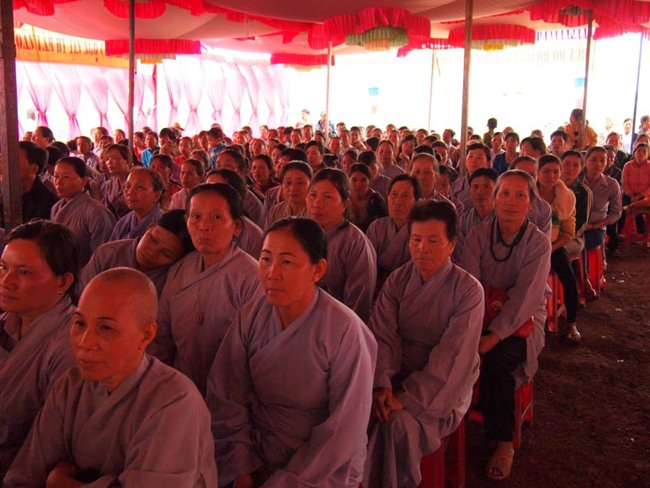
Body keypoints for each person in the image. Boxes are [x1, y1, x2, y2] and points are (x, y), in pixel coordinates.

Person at [4, 268, 218, 487]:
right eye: (80, 324)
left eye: (106, 328)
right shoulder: (71, 386)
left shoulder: (175, 400)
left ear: (145, 335)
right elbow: (25, 475)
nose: (85, 342)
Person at [206, 218, 376, 487]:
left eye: (286, 262)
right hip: (254, 453)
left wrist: (286, 482)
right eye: (265, 259)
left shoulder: (345, 330)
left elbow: (345, 429)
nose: (272, 273)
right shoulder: (251, 315)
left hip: (322, 467)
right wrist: (240, 468)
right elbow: (226, 395)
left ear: (317, 270)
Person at [365, 200, 483, 488]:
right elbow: (382, 335)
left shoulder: (468, 291)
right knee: (353, 409)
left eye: (432, 241)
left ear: (451, 245)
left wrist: (406, 399)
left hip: (441, 388)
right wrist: (382, 383)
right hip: (394, 373)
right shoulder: (397, 280)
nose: (422, 248)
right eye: (416, 240)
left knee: (396, 425)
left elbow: (453, 357)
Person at [460, 170, 551, 481]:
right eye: (505, 194)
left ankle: (503, 441)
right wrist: (472, 329)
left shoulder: (538, 243)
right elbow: (470, 286)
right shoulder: (477, 235)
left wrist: (494, 336)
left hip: (522, 320)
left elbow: (526, 297)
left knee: (496, 363)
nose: (511, 201)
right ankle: (449, 421)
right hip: (479, 311)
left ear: (531, 203)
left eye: (520, 195)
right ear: (495, 198)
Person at [152, 184, 263, 394]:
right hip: (179, 387)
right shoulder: (179, 269)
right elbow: (161, 335)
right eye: (196, 217)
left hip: (232, 394)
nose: (204, 226)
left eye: (216, 217)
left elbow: (256, 351)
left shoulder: (251, 277)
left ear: (237, 226)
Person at [0, 221, 79, 478]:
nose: (6, 281)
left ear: (63, 281)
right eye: (3, 267)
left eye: (24, 273)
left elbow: (48, 446)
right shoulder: (9, 321)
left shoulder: (70, 346)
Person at [306, 169, 377, 323]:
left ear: (344, 204)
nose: (317, 203)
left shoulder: (355, 244)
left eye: (327, 197)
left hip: (335, 323)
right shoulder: (297, 233)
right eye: (313, 195)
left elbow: (357, 304)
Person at [80, 209, 193, 296]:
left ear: (177, 260)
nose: (152, 252)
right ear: (149, 228)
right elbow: (81, 294)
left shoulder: (172, 280)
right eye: (153, 239)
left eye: (166, 253)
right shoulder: (108, 253)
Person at [536, 154, 581, 342]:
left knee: (569, 279)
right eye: (546, 171)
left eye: (556, 172)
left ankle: (572, 323)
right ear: (537, 172)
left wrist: (552, 247)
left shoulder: (566, 197)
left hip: (554, 245)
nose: (551, 176)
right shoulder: (527, 193)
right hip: (528, 246)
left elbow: (569, 231)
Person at [50, 157, 115, 266]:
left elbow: (101, 255)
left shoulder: (96, 212)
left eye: (66, 177)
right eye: (56, 176)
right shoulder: (56, 208)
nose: (58, 182)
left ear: (84, 181)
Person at [366, 175, 423, 286]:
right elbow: (366, 265)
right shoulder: (377, 227)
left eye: (405, 196)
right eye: (394, 194)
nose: (398, 201)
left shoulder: (421, 231)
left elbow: (416, 271)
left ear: (417, 201)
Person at [581, 146, 622, 292]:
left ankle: (583, 280)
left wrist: (595, 225)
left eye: (602, 160)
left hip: (596, 229)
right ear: (585, 161)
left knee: (581, 244)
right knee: (571, 244)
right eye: (593, 160)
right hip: (575, 228)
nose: (597, 164)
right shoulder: (577, 180)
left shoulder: (611, 184)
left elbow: (617, 212)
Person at [205, 169, 265, 259]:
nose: (209, 194)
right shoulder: (199, 223)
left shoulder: (253, 236)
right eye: (206, 188)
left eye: (218, 190)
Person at [0, 141, 58, 227]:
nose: (3, 166)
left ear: (34, 169)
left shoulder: (48, 202)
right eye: (3, 160)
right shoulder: (4, 193)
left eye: (13, 162)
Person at [109, 167, 164, 242]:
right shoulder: (122, 223)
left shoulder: (164, 227)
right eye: (128, 186)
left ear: (156, 195)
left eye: (140, 187)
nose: (130, 192)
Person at [264, 161, 312, 229]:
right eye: (288, 183)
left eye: (300, 183)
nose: (293, 188)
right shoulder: (274, 212)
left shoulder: (316, 213)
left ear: (311, 185)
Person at [347, 163, 387, 232]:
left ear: (369, 181)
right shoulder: (343, 199)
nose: (358, 184)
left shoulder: (377, 201)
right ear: (348, 180)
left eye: (363, 180)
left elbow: (382, 228)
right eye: (354, 180)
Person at [100, 144, 132, 218]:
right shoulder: (109, 184)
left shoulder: (137, 181)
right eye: (107, 159)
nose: (109, 162)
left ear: (126, 161)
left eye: (114, 158)